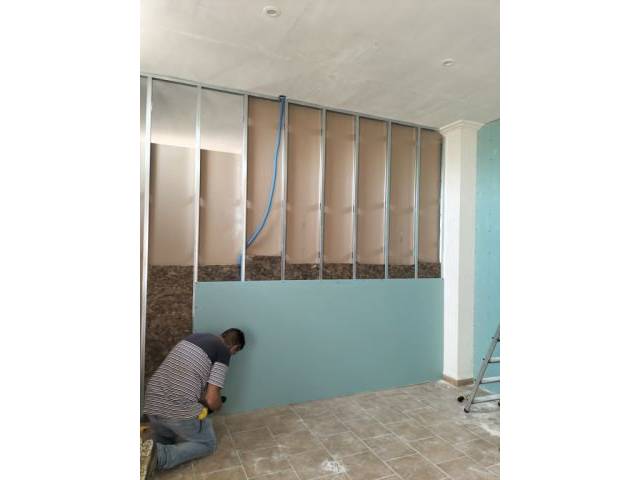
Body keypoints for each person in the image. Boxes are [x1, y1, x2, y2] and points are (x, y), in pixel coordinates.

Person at [140, 328, 245, 478]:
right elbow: (212, 400)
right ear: (234, 348)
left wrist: (200, 401)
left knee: (165, 439)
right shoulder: (223, 351)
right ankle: (160, 458)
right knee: (207, 444)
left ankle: (145, 457)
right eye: (234, 353)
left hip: (152, 400)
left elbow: (185, 380)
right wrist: (218, 406)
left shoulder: (194, 337)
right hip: (175, 408)